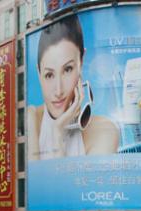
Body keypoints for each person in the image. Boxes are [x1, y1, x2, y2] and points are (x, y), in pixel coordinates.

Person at [27, 14, 119, 162]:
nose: (58, 91)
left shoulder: (104, 131)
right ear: (39, 73)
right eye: (49, 75)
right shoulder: (31, 119)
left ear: (81, 62)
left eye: (68, 69)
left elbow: (62, 178)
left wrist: (58, 133)